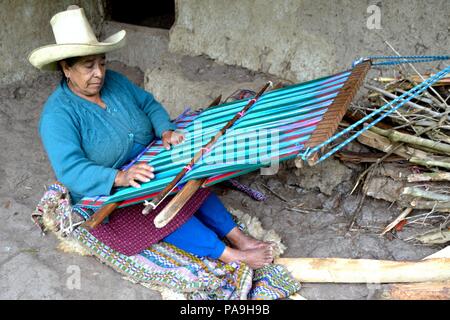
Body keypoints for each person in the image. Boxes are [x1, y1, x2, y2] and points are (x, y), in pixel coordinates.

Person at [29, 5, 273, 269]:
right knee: (158, 208)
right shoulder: (58, 116)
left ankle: (237, 236)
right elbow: (70, 169)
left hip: (150, 162)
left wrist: (164, 130)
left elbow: (149, 105)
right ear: (66, 68)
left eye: (102, 63)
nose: (99, 73)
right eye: (88, 66)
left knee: (190, 180)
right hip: (108, 192)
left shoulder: (115, 82)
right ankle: (228, 254)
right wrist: (120, 177)